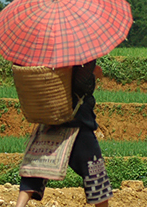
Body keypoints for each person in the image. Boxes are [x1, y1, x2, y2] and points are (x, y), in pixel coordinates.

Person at [15, 60, 113, 207]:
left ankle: (19, 205)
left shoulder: (45, 55)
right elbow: (82, 86)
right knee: (95, 171)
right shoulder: (82, 57)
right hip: (77, 122)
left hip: (50, 118)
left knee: (34, 168)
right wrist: (94, 75)